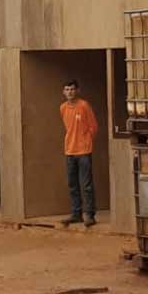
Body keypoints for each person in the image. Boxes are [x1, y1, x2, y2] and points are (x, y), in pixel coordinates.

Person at [59, 80, 98, 227]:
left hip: (84, 150)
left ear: (77, 91)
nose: (70, 92)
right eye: (67, 89)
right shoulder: (62, 108)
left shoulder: (84, 106)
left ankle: (89, 215)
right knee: (72, 184)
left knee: (86, 184)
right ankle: (76, 214)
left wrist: (86, 140)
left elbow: (93, 126)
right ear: (64, 92)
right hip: (69, 150)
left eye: (72, 89)